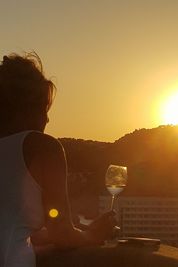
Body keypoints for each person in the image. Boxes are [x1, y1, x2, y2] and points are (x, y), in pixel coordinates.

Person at [0, 52, 116, 267]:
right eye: (44, 108)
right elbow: (61, 232)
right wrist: (93, 236)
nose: (47, 118)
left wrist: (82, 231)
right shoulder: (42, 147)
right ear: (27, 108)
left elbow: (14, 227)